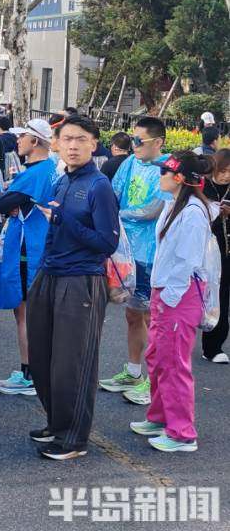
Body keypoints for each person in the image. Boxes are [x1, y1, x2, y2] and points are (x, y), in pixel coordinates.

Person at [28, 115, 119, 460]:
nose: (73, 145)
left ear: (94, 144)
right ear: (56, 144)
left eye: (81, 139)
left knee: (73, 363)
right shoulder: (62, 180)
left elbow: (106, 242)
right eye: (66, 139)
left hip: (81, 280)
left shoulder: (99, 185)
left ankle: (73, 438)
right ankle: (57, 422)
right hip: (50, 274)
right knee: (43, 358)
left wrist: (63, 220)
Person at [130, 151, 214, 453]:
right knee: (157, 357)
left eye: (164, 171)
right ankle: (160, 417)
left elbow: (187, 261)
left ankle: (182, 433)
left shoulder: (192, 212)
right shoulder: (175, 204)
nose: (160, 176)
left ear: (179, 178)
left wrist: (169, 297)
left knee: (174, 363)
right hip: (167, 292)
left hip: (177, 295)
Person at [0, 120, 58, 396]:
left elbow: (3, 202)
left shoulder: (38, 171)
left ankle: (30, 373)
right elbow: (8, 202)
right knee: (29, 313)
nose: (17, 141)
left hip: (29, 246)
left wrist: (13, 202)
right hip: (35, 243)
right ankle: (33, 371)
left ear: (36, 141)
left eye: (23, 136)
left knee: (25, 314)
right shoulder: (48, 169)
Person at [100, 117, 167, 406]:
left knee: (153, 318)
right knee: (132, 314)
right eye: (133, 139)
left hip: (150, 253)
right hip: (127, 251)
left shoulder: (167, 168)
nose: (134, 145)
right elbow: (113, 192)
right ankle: (133, 371)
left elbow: (153, 210)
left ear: (158, 142)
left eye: (140, 140)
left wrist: (118, 214)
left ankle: (155, 381)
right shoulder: (129, 163)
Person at [202, 149, 230, 364]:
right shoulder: (202, 186)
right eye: (223, 170)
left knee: (223, 296)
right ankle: (209, 346)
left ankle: (215, 345)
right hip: (206, 250)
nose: (226, 176)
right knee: (209, 294)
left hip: (226, 250)